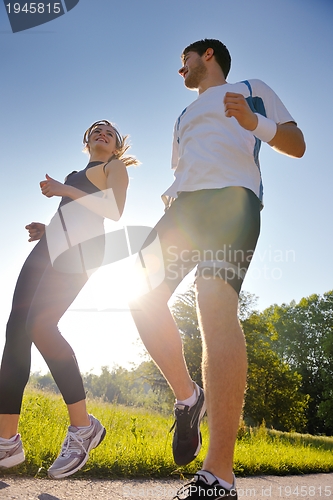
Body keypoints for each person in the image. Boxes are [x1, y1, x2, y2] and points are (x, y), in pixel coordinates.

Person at [130, 39, 305, 499]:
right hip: (184, 209)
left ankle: (218, 476)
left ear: (207, 54)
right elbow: (184, 166)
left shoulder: (252, 87)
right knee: (140, 296)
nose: (180, 68)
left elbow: (297, 143)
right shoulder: (182, 117)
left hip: (233, 201)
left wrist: (254, 122)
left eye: (184, 59)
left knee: (212, 304)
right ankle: (189, 398)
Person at [0, 120, 138, 479]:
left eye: (110, 131)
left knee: (41, 325)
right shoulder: (76, 172)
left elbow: (113, 211)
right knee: (16, 331)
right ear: (86, 141)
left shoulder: (114, 168)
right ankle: (6, 441)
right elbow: (74, 215)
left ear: (117, 145)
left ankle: (83, 427)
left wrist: (64, 189)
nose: (102, 133)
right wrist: (48, 229)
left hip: (83, 252)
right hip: (50, 247)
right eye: (96, 130)